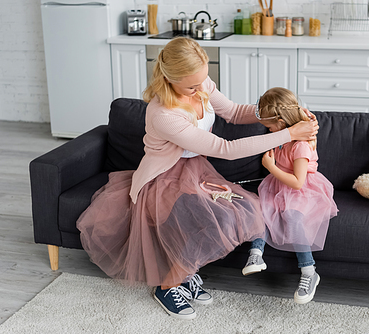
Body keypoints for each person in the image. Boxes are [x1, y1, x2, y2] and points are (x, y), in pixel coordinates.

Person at [76, 37, 319, 320]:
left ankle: (185, 272)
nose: (200, 88)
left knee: (246, 209)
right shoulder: (164, 114)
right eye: (192, 85)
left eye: (203, 80)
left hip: (195, 169)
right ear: (170, 78)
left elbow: (233, 112)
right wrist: (290, 134)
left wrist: (281, 115)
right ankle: (167, 286)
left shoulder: (200, 83)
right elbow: (224, 149)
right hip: (163, 177)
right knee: (198, 216)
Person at [241, 87, 338, 304]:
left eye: (269, 126)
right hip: (278, 185)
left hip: (301, 189)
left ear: (283, 122)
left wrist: (270, 166)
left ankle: (309, 272)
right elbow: (296, 112)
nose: (267, 130)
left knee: (293, 218)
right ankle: (256, 252)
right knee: (262, 209)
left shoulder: (301, 146)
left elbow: (298, 182)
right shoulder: (283, 133)